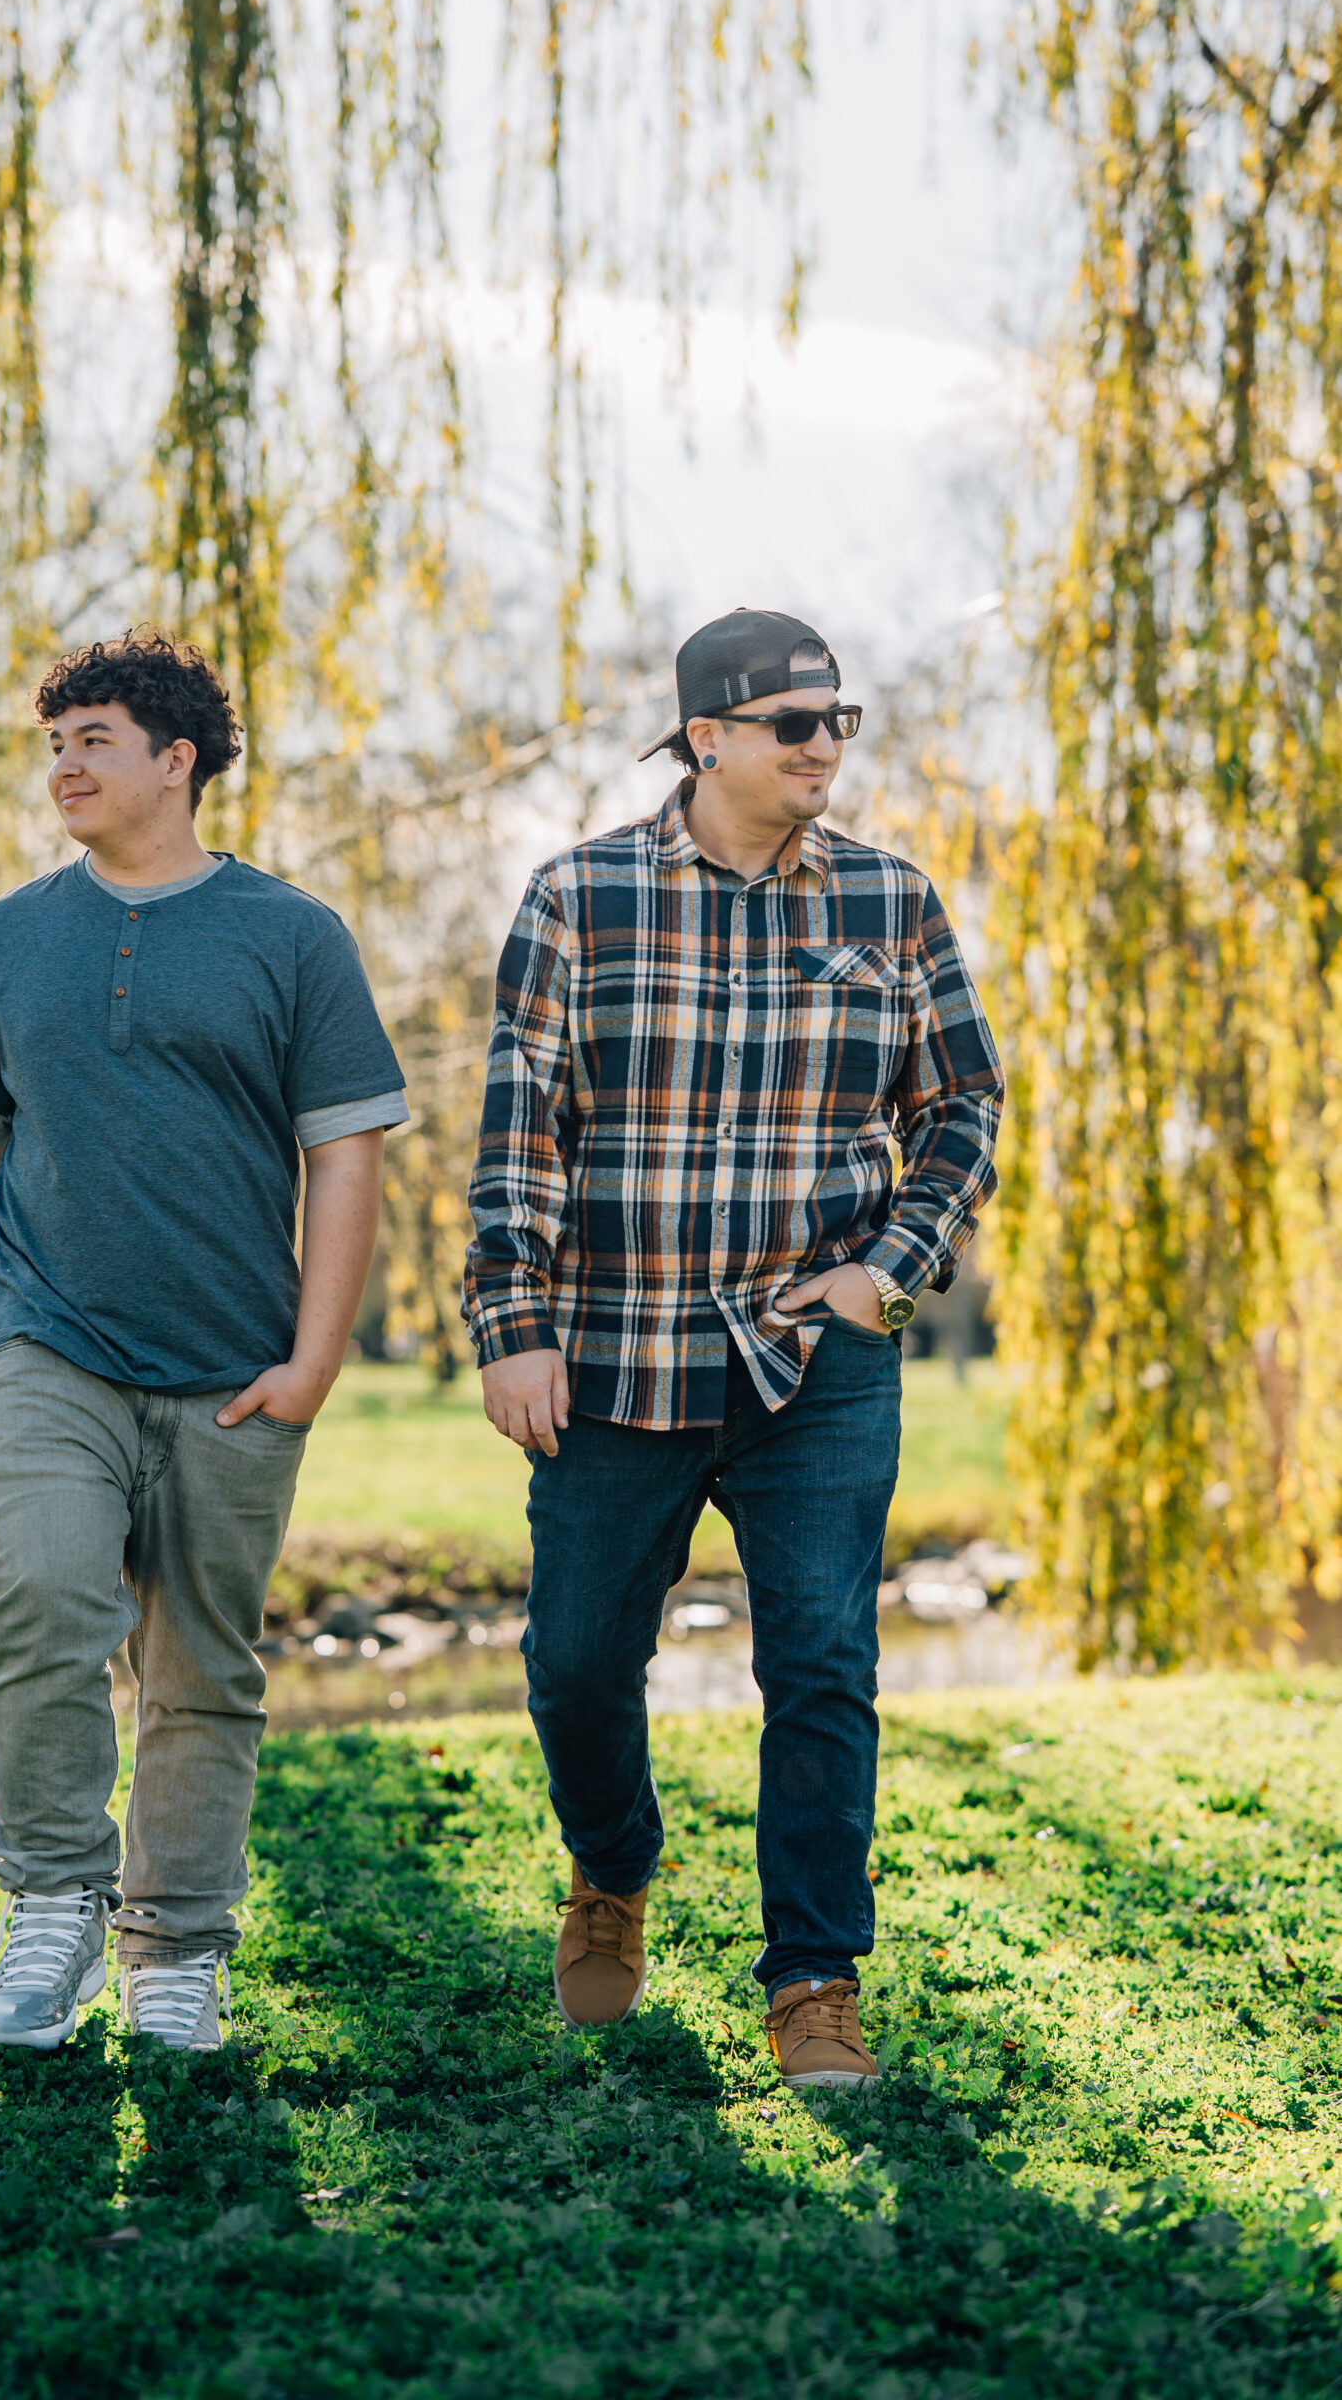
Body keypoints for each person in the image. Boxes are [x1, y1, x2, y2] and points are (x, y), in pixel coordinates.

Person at [462, 608, 1003, 2086]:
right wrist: (512, 1327)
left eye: (841, 720)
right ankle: (613, 1866)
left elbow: (963, 1106)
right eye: (796, 722)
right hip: (616, 1355)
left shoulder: (891, 903)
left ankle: (814, 1980)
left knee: (823, 1665)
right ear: (707, 737)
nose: (828, 746)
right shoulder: (580, 897)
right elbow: (523, 1135)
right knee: (575, 1662)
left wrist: (888, 1276)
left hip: (813, 1368)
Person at [0, 627, 406, 2054]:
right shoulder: (2, 941)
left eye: (94, 740)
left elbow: (349, 1158)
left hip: (235, 1367)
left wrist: (316, 1358)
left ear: (176, 760)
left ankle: (176, 1946)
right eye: (53, 742)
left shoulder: (294, 937)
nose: (63, 765)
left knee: (201, 1668)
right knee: (42, 1606)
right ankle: (54, 1904)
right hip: (47, 1347)